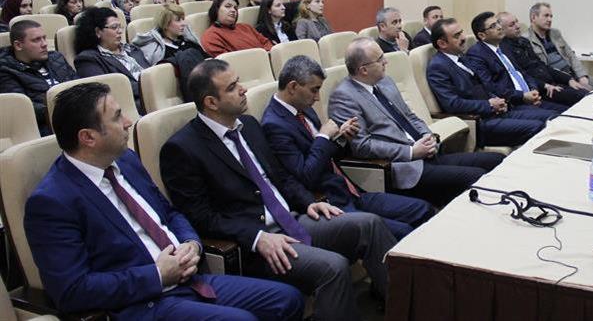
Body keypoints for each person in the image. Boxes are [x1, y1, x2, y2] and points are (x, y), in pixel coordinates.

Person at [24, 83, 304, 320]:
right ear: (88, 137)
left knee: (287, 299)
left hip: (189, 279)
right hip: (140, 304)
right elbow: (71, 291)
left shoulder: (125, 161)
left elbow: (169, 213)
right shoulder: (52, 202)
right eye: (117, 117)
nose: (128, 122)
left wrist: (191, 243)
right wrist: (157, 275)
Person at [160, 60, 396, 321]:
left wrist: (308, 202)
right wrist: (257, 237)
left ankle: (401, 308)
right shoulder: (182, 148)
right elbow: (201, 217)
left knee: (370, 224)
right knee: (333, 266)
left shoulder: (248, 125)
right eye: (233, 87)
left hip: (291, 219)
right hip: (256, 242)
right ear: (211, 102)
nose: (244, 89)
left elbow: (280, 177)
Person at [262, 55, 435, 239]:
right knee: (403, 231)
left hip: (350, 191)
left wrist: (342, 138)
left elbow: (326, 156)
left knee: (422, 209)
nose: (318, 97)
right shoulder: (274, 125)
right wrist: (323, 137)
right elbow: (306, 176)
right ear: (293, 87)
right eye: (314, 90)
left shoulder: (304, 108)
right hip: (330, 202)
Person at [328, 37, 505, 207]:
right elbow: (363, 146)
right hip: (404, 166)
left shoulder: (385, 82)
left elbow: (410, 116)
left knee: (496, 160)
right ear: (363, 70)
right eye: (380, 59)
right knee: (477, 176)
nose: (386, 62)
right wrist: (411, 152)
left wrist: (428, 136)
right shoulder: (344, 97)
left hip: (427, 154)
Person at [426, 18, 547, 147]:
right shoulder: (438, 67)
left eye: (461, 32)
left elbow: (484, 85)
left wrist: (498, 100)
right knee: (538, 127)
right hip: (478, 122)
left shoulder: (462, 57)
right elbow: (453, 104)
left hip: (498, 112)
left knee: (551, 119)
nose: (463, 38)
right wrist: (489, 105)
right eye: (457, 36)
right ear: (442, 43)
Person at [465, 12, 567, 116]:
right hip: (513, 105)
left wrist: (533, 90)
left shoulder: (503, 46)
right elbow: (491, 87)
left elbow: (521, 72)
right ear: (482, 35)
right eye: (493, 26)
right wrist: (522, 96)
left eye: (498, 23)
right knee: (557, 117)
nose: (499, 27)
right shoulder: (476, 54)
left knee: (567, 112)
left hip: (530, 98)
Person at [0, 20, 77, 135]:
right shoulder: (6, 70)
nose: (44, 44)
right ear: (18, 45)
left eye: (44, 38)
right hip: (44, 127)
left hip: (77, 116)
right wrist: (66, 108)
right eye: (36, 40)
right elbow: (24, 109)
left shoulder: (56, 58)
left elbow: (79, 84)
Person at [498, 11, 587, 107]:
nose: (518, 26)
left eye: (517, 21)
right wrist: (544, 85)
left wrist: (568, 79)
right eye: (512, 25)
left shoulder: (524, 41)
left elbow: (542, 65)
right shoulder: (504, 49)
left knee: (586, 92)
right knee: (582, 97)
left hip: (551, 81)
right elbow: (521, 75)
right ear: (502, 30)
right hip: (539, 89)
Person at [74, 7, 151, 114]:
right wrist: (150, 86)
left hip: (153, 97)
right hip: (132, 107)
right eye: (114, 27)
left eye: (120, 27)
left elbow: (149, 72)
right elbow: (108, 91)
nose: (120, 31)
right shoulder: (88, 59)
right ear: (98, 32)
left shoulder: (132, 49)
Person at [526, 2, 593, 91]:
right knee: (589, 94)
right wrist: (568, 80)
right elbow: (539, 71)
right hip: (558, 81)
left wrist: (582, 76)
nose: (550, 19)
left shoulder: (555, 33)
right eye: (546, 16)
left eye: (551, 16)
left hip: (573, 74)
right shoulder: (526, 40)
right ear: (533, 18)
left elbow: (571, 55)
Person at [132, 3, 207, 64]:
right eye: (178, 20)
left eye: (183, 19)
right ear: (165, 24)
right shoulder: (159, 52)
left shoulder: (189, 42)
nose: (183, 23)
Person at [200, 0, 272, 56]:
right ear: (216, 10)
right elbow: (228, 61)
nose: (233, 10)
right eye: (228, 6)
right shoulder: (211, 35)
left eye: (235, 8)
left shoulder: (246, 27)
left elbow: (266, 42)